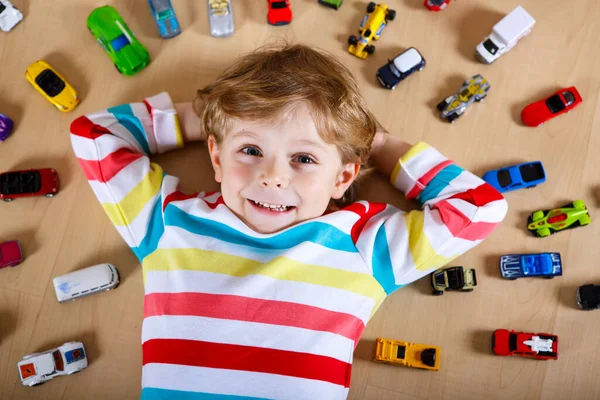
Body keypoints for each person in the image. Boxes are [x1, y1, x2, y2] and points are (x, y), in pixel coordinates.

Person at [69, 44, 507, 399]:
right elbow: (92, 134)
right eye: (251, 150)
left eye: (303, 158)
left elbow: (480, 206)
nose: (273, 177)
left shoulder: (364, 246)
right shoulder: (168, 224)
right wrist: (208, 115)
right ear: (216, 158)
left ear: (342, 176)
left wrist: (381, 144)